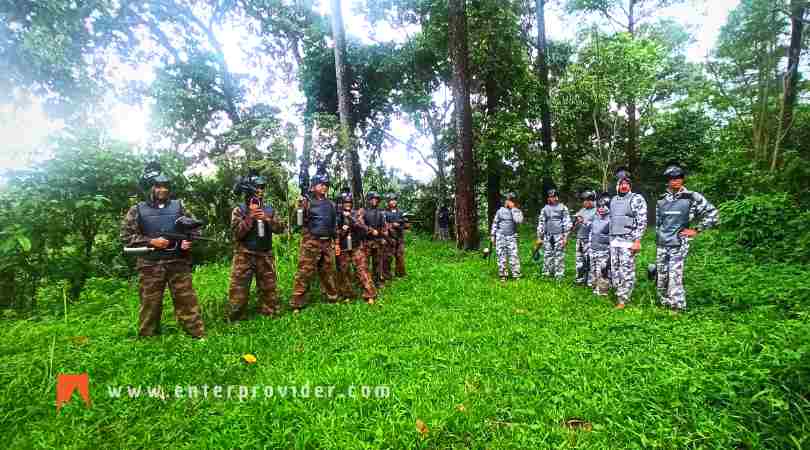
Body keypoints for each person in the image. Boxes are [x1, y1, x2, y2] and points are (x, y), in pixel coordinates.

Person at [120, 163, 205, 338]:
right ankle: (147, 338)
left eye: (165, 186)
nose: (163, 190)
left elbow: (195, 228)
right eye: (158, 186)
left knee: (187, 301)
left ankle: (196, 335)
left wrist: (188, 241)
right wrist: (152, 241)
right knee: (150, 304)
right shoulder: (137, 210)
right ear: (150, 188)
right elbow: (126, 237)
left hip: (178, 263)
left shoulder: (179, 206)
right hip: (150, 265)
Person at [654, 164, 718, 312]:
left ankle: (677, 308)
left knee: (674, 276)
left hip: (679, 243)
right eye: (672, 178)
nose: (675, 180)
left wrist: (696, 229)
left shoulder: (692, 197)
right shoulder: (661, 199)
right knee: (661, 275)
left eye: (678, 177)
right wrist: (658, 238)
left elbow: (713, 213)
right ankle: (664, 303)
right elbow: (658, 223)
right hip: (662, 244)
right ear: (667, 181)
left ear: (682, 179)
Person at [227, 174, 286, 321]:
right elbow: (237, 234)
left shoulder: (269, 209)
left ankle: (269, 313)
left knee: (269, 290)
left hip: (265, 254)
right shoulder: (239, 210)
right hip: (244, 255)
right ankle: (235, 318)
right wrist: (250, 218)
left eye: (262, 187)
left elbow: (280, 228)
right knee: (238, 290)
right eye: (258, 187)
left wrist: (267, 219)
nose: (261, 190)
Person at [289, 173, 339, 312]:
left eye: (326, 185)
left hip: (327, 242)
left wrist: (337, 242)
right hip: (311, 242)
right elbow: (297, 223)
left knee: (328, 271)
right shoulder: (306, 202)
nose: (324, 187)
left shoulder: (331, 204)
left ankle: (332, 296)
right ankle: (297, 303)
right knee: (304, 272)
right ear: (313, 187)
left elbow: (334, 225)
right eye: (321, 184)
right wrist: (298, 207)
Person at [609, 168, 647, 309]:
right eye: (621, 183)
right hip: (614, 242)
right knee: (615, 269)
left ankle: (623, 300)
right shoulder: (613, 200)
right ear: (617, 185)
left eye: (626, 183)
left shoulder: (636, 199)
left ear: (630, 185)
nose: (623, 185)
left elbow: (642, 221)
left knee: (626, 270)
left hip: (628, 241)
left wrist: (637, 241)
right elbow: (611, 220)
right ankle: (618, 293)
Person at [335, 192, 378, 304]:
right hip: (343, 247)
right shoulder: (337, 215)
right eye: (345, 202)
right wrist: (342, 231)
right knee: (344, 271)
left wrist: (352, 219)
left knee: (362, 269)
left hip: (356, 246)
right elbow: (333, 232)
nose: (348, 204)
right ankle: (347, 294)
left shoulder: (356, 214)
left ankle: (370, 294)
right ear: (341, 203)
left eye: (349, 202)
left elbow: (363, 228)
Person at [536, 188, 572, 280]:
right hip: (548, 235)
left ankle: (559, 274)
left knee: (559, 255)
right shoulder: (545, 209)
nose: (551, 199)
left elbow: (567, 223)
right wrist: (540, 237)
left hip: (559, 235)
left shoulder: (563, 208)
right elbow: (541, 223)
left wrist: (565, 237)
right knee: (548, 254)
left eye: (553, 197)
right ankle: (547, 272)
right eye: (550, 197)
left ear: (557, 197)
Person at [490, 192, 524, 282]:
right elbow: (495, 223)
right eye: (508, 200)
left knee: (514, 255)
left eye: (511, 200)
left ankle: (516, 274)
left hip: (512, 237)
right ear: (506, 200)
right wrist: (493, 236)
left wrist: (513, 208)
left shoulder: (517, 211)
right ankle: (503, 275)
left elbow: (518, 221)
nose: (509, 202)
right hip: (500, 236)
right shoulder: (500, 211)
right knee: (501, 256)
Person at [360, 191, 388, 288]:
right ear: (368, 200)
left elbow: (384, 226)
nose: (374, 201)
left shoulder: (380, 212)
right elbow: (360, 224)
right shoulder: (362, 211)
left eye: (376, 199)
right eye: (372, 199)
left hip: (377, 241)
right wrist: (370, 230)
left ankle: (377, 281)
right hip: (366, 241)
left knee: (377, 262)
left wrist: (383, 235)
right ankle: (366, 282)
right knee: (365, 263)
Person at [590, 193, 612, 297]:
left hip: (604, 251)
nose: (601, 209)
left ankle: (603, 292)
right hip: (593, 249)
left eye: (604, 206)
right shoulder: (595, 217)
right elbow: (592, 233)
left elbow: (613, 237)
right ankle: (595, 288)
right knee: (593, 270)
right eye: (599, 206)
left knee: (602, 271)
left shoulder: (612, 219)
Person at [573, 190, 597, 286]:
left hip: (590, 240)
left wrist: (583, 221)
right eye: (584, 200)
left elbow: (597, 226)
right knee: (579, 259)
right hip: (580, 238)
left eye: (588, 200)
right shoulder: (581, 210)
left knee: (590, 260)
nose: (586, 202)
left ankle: (590, 281)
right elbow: (574, 225)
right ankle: (580, 278)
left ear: (592, 200)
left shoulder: (597, 211)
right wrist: (575, 222)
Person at [383, 193, 408, 280]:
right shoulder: (384, 213)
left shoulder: (401, 212)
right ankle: (387, 275)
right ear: (388, 202)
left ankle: (400, 274)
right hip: (389, 238)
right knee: (388, 257)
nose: (393, 202)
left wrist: (400, 224)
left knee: (400, 256)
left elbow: (407, 224)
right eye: (391, 200)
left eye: (394, 200)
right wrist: (392, 225)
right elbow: (383, 225)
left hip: (400, 238)